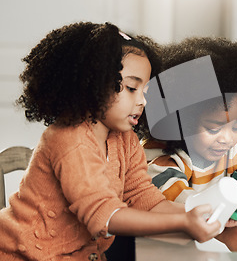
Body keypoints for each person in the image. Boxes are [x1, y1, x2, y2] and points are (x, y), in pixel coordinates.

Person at [0, 22, 222, 260]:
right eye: (131, 88)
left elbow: (144, 198)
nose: (142, 101)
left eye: (145, 92)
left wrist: (204, 215)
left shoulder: (125, 140)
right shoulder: (70, 140)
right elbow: (104, 215)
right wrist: (183, 221)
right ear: (91, 83)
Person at [145, 37, 237, 252]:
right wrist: (226, 231)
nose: (227, 138)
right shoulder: (157, 154)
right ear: (181, 121)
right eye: (213, 128)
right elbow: (175, 200)